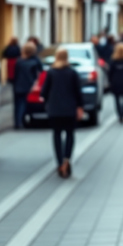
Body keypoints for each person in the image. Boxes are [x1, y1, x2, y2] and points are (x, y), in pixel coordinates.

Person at [41, 48, 84, 178]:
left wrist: (50, 101)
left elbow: (44, 92)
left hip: (55, 110)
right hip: (70, 109)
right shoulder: (72, 72)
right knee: (70, 134)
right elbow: (78, 92)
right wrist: (80, 107)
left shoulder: (51, 72)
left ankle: (59, 163)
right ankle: (67, 159)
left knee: (57, 136)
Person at [12, 42, 42, 129]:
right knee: (24, 104)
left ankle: (17, 122)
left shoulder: (19, 61)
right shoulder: (35, 61)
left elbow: (15, 74)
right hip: (29, 85)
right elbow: (40, 72)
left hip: (17, 85)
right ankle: (22, 121)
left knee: (17, 105)